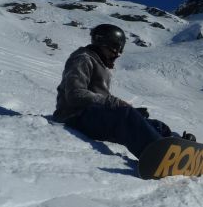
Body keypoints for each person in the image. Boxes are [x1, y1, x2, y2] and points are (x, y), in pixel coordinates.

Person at [53, 23, 195, 158]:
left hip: (92, 115)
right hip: (73, 115)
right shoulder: (83, 59)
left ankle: (181, 148)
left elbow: (101, 99)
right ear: (101, 42)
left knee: (157, 125)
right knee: (125, 115)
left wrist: (129, 111)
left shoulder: (99, 63)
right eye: (114, 47)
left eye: (120, 49)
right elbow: (75, 94)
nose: (117, 53)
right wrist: (115, 104)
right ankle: (162, 156)